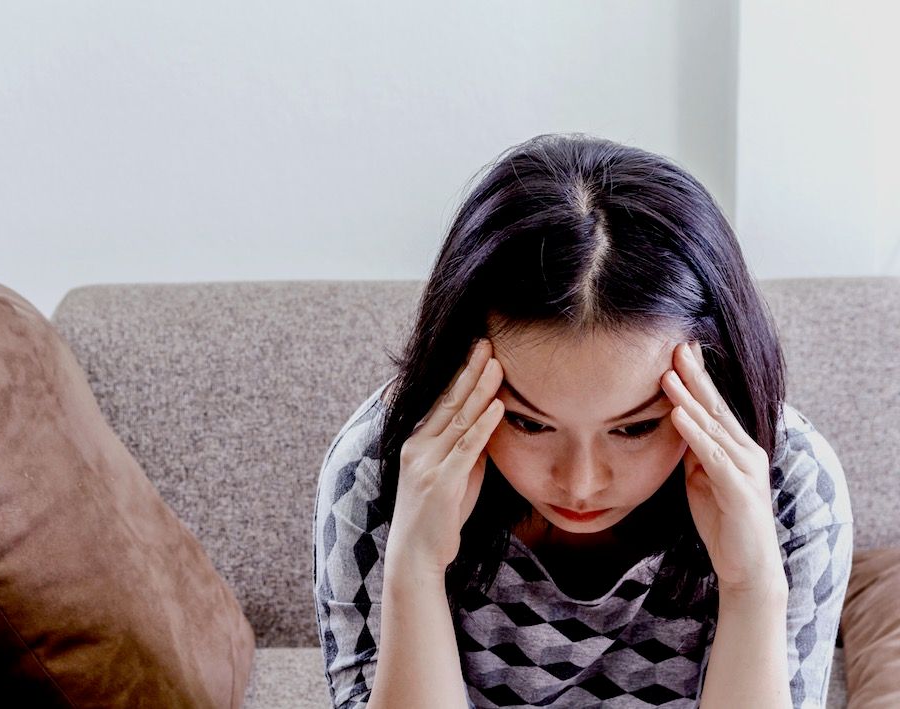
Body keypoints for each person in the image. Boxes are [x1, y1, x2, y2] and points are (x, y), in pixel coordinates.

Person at [312, 133, 853, 708]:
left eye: (636, 428)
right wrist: (416, 569)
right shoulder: (382, 469)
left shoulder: (789, 485)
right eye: (528, 423)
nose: (580, 483)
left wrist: (752, 588)